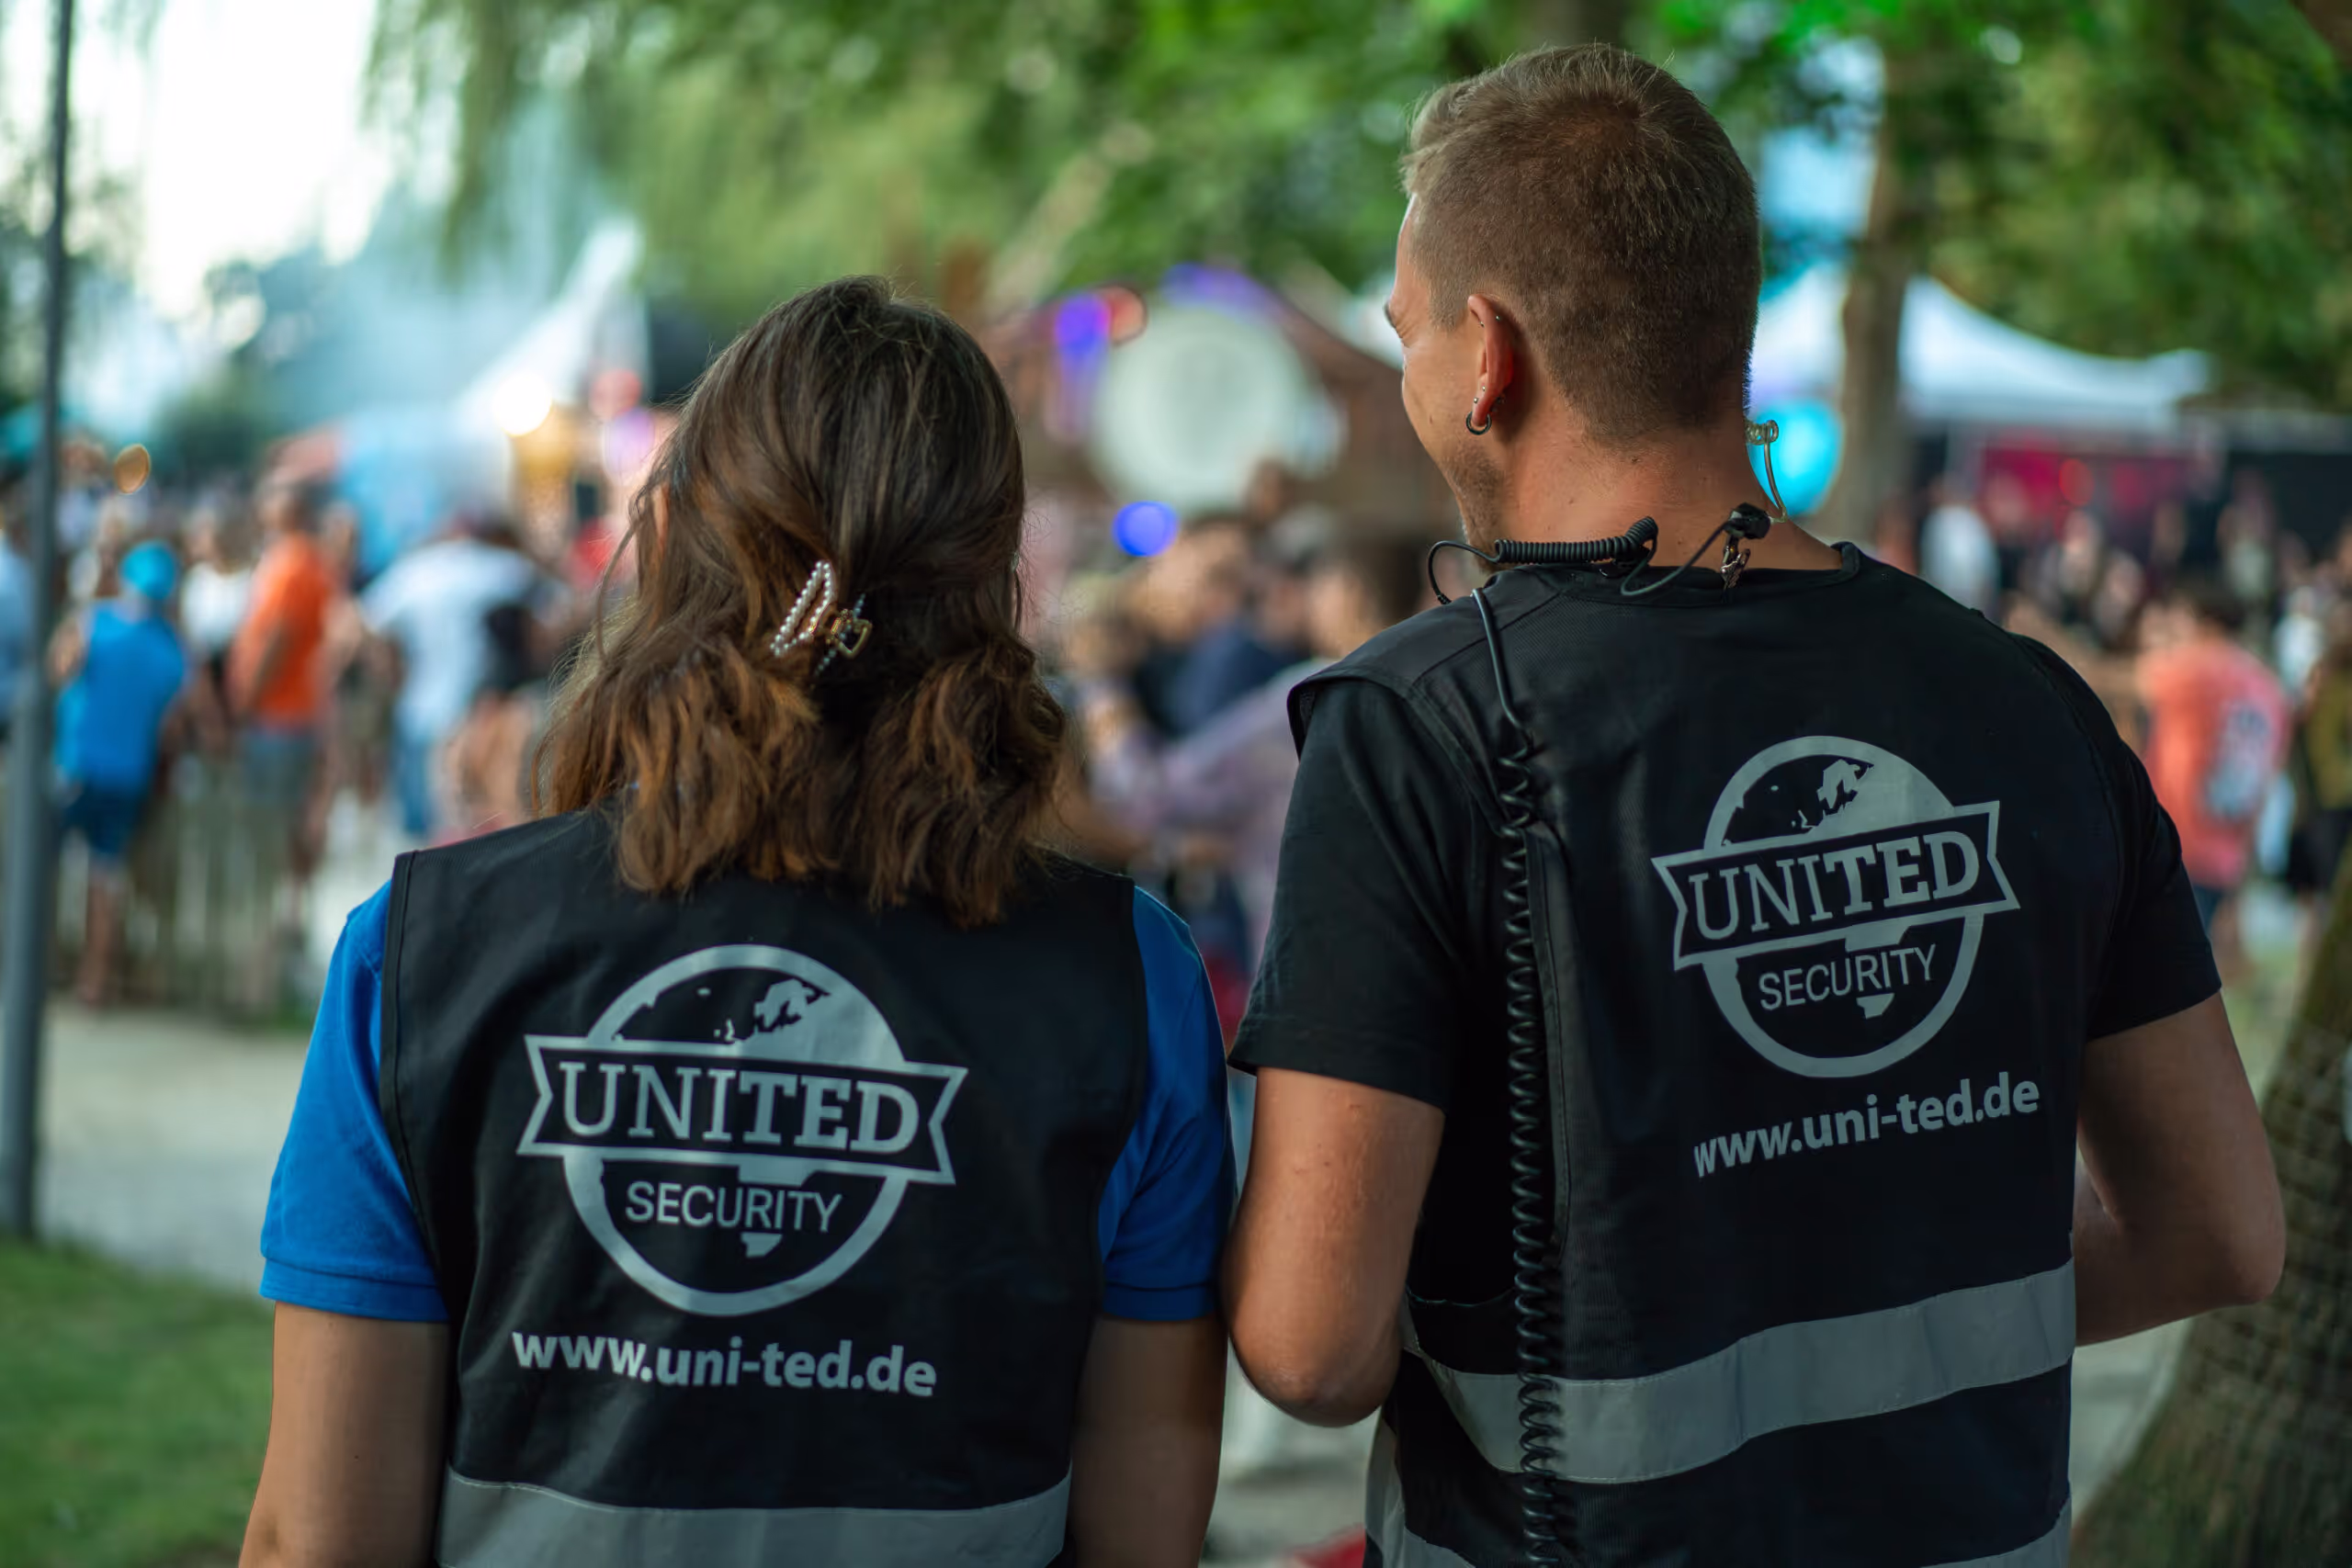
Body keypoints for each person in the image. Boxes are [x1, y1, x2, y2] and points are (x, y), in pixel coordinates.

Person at [1221, 46, 2281, 1568]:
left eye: (1404, 331)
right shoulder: (2027, 700)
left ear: (1487, 355)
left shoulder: (1415, 733)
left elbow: (1311, 1350)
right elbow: (2223, 1233)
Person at [241, 278, 1231, 1568]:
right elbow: (1143, 1530)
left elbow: (317, 1538)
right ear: (996, 573)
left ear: (680, 534)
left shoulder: (424, 953)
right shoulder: (1125, 978)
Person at [359, 513, 557, 839]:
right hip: (474, 703)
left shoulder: (412, 573)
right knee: (491, 808)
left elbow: (365, 622)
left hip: (422, 708)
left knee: (431, 825)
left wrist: (389, 672)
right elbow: (549, 591)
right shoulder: (488, 567)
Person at [53, 541, 188, 1004]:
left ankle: (42, 967)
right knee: (105, 880)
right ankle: (94, 982)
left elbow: (60, 669)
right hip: (128, 776)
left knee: (43, 869)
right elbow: (174, 726)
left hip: (76, 766)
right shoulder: (172, 652)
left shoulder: (94, 623)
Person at [2137, 577, 2293, 936]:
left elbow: (2121, 680)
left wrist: (2040, 639)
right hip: (2227, 853)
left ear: (2203, 623)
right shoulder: (2267, 686)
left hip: (2179, 841)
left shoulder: (2199, 665)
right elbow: (2266, 783)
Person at [227, 480, 341, 916]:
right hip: (292, 713)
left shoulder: (293, 563)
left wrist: (246, 702)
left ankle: (274, 919)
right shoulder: (301, 561)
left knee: (272, 822)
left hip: (278, 716)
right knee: (289, 821)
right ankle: (287, 913)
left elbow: (280, 638)